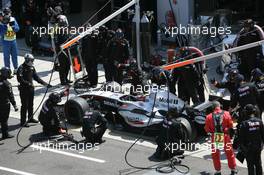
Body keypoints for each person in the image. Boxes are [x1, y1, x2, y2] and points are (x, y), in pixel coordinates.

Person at [17, 53, 51, 127]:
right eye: (31, 60)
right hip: (24, 90)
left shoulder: (32, 68)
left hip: (31, 89)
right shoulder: (21, 68)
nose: (32, 62)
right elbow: (19, 79)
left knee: (31, 104)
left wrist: (45, 84)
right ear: (27, 60)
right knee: (24, 106)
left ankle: (30, 118)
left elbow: (36, 78)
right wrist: (27, 83)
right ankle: (23, 122)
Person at [205, 101, 237, 175]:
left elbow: (207, 129)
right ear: (220, 106)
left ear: (212, 108)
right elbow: (231, 125)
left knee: (216, 154)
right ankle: (233, 170)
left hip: (216, 136)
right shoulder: (226, 113)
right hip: (225, 136)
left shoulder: (209, 116)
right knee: (229, 153)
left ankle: (218, 171)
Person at [239, 104, 264, 175]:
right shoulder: (259, 121)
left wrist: (243, 149)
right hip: (258, 146)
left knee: (250, 166)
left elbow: (241, 139)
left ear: (246, 112)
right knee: (258, 164)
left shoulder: (244, 124)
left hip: (248, 148)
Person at [0, 67, 18, 139]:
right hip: (4, 104)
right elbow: (11, 96)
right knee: (4, 120)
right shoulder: (7, 84)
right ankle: (5, 134)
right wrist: (14, 105)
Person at [0, 7, 19, 74]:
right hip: (5, 42)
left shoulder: (13, 19)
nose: (8, 14)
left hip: (13, 41)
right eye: (6, 13)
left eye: (9, 13)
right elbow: (1, 33)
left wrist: (13, 26)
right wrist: (5, 25)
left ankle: (16, 69)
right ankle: (7, 71)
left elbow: (17, 29)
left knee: (15, 55)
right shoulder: (1, 21)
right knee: (6, 57)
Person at [56, 14, 71, 85]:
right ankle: (63, 81)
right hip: (61, 51)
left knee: (68, 65)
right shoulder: (58, 31)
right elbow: (57, 42)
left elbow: (69, 37)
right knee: (62, 66)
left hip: (67, 50)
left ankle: (66, 78)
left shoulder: (66, 29)